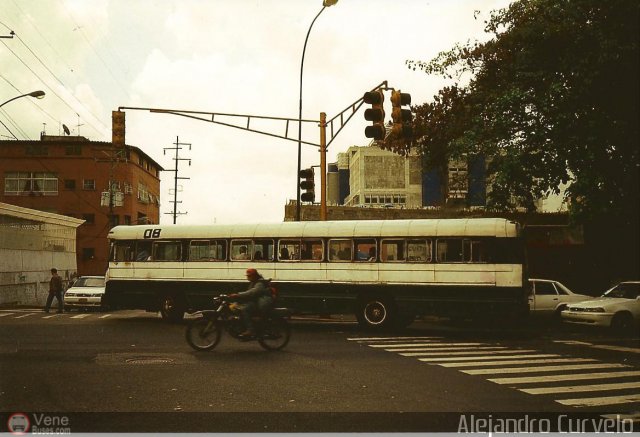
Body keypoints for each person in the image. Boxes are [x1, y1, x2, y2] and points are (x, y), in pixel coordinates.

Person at [228, 268, 273, 337]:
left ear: (255, 276)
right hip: (257, 302)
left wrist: (238, 295)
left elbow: (252, 293)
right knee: (237, 306)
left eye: (249, 276)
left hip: (261, 303)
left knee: (244, 309)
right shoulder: (254, 282)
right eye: (247, 276)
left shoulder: (259, 283)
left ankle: (250, 330)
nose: (248, 277)